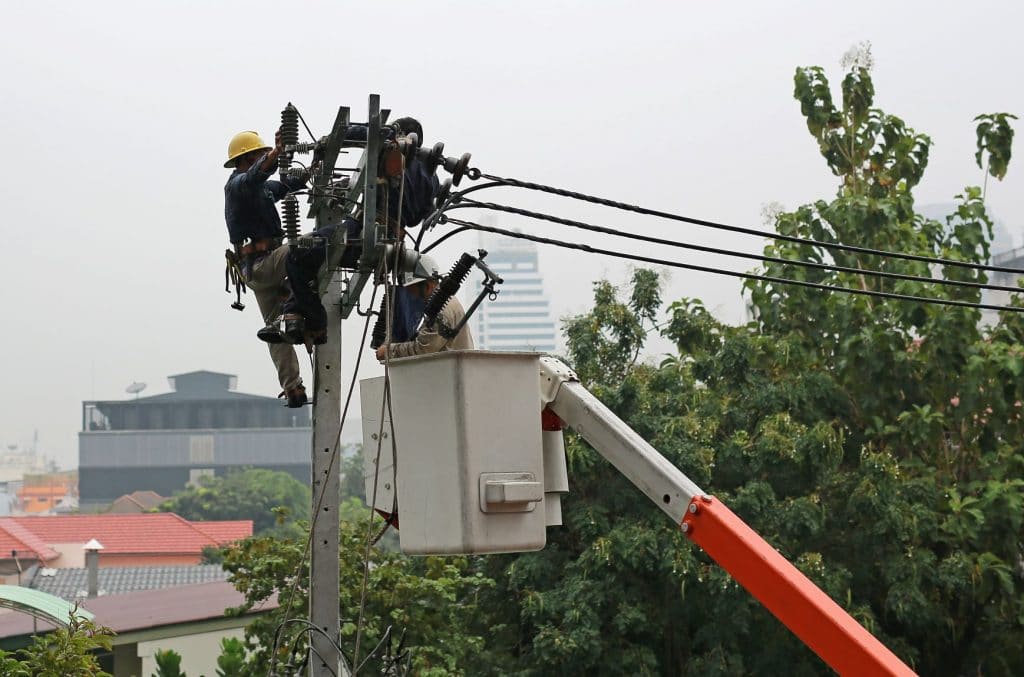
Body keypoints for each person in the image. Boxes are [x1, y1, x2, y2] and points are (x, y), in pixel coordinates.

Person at [276, 117, 439, 347]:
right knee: (314, 260)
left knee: (297, 256)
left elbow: (362, 133)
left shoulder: (392, 145)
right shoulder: (432, 178)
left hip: (362, 233)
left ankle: (315, 323)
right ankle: (293, 313)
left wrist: (328, 141)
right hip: (392, 244)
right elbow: (418, 217)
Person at [223, 128, 310, 407]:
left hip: (258, 270)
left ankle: (293, 388)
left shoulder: (259, 190)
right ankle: (303, 314)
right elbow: (255, 176)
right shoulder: (237, 186)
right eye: (261, 155)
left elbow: (284, 186)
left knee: (276, 330)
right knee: (310, 248)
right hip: (263, 265)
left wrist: (313, 169)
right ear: (248, 158)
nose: (266, 160)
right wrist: (275, 153)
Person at [375, 255, 474, 360]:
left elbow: (422, 349)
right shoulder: (446, 302)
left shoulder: (441, 309)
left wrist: (389, 351)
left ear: (427, 286)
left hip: (448, 373)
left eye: (411, 292)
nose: (411, 299)